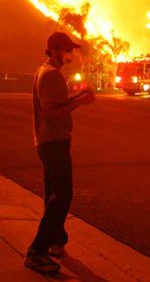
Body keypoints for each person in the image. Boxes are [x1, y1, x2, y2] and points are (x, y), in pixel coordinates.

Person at [24, 32, 95, 274]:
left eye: (70, 50)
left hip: (47, 142)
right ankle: (37, 252)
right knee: (62, 196)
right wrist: (81, 102)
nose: (69, 54)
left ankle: (56, 241)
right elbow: (51, 112)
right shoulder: (51, 75)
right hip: (54, 143)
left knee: (53, 195)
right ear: (53, 50)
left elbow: (56, 102)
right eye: (66, 49)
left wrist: (78, 94)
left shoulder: (45, 72)